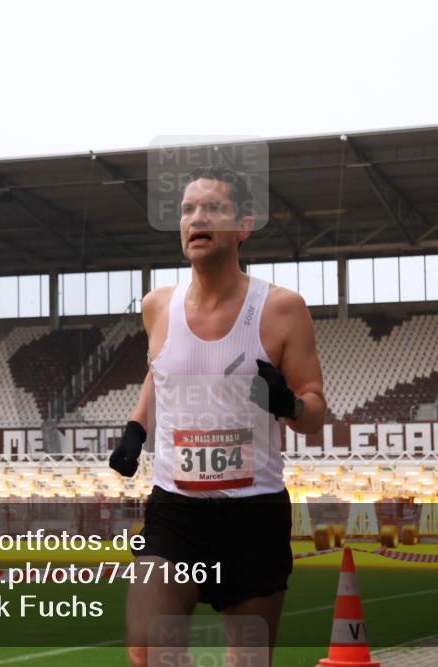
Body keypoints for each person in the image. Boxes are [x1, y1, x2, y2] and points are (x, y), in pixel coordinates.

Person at [109, 165, 327, 666]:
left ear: (243, 225)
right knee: (148, 650)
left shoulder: (281, 309)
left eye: (213, 207)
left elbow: (314, 411)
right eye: (188, 209)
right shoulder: (157, 306)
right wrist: (134, 431)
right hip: (176, 510)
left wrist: (288, 404)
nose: (196, 217)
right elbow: (158, 372)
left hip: (254, 514)